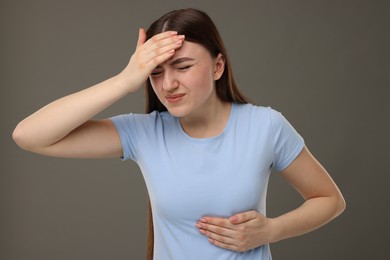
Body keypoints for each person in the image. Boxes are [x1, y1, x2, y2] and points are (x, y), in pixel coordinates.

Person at [12, 8, 345, 260]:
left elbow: (329, 200)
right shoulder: (144, 134)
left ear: (218, 66)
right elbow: (29, 135)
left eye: (183, 67)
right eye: (155, 72)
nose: (168, 84)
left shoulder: (265, 126)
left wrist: (271, 230)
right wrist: (125, 79)